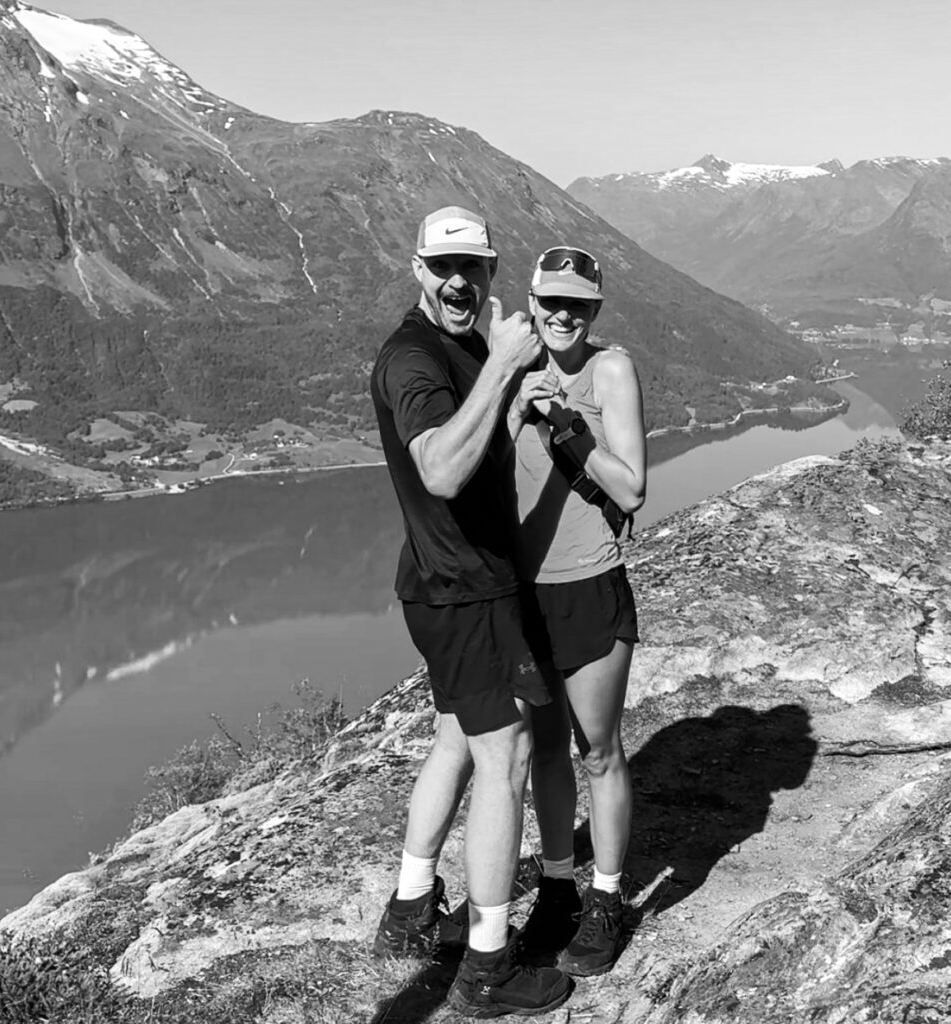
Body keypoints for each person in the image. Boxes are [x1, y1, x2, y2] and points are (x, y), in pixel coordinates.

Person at [370, 206, 572, 1017]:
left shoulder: (457, 347)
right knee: (505, 756)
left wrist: (511, 408)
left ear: (490, 272)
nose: (459, 281)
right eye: (443, 267)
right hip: (465, 592)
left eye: (473, 267)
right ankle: (488, 964)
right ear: (417, 269)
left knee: (455, 738)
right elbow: (441, 471)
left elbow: (476, 450)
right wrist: (504, 367)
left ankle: (410, 909)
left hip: (445, 583)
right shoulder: (412, 359)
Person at [507, 245, 646, 977]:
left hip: (589, 583)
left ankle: (607, 898)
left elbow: (631, 488)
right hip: (525, 592)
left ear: (594, 310)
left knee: (598, 750)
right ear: (531, 301)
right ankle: (558, 885)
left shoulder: (610, 370)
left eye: (577, 305)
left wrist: (565, 424)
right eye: (550, 302)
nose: (562, 315)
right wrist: (513, 408)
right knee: (543, 750)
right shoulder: (511, 368)